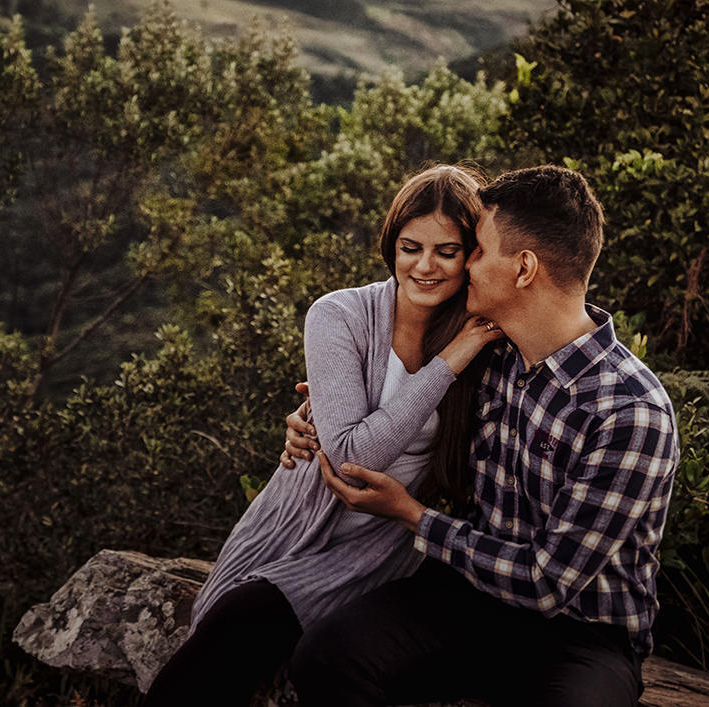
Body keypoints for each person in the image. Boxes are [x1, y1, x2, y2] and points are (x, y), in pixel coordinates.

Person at [281, 164, 680, 707]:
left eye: (477, 250)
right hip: (467, 596)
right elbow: (395, 400)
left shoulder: (629, 412)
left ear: (523, 269)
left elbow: (547, 583)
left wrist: (412, 515)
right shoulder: (492, 356)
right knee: (326, 656)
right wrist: (313, 416)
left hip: (582, 632)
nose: (464, 263)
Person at [142, 165, 505, 706]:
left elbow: (364, 452)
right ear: (390, 244)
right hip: (294, 522)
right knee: (223, 629)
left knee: (249, 619)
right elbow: (351, 454)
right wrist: (448, 364)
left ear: (473, 255)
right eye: (410, 247)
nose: (424, 266)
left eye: (446, 252)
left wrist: (457, 355)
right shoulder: (339, 314)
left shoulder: (486, 336)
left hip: (382, 547)